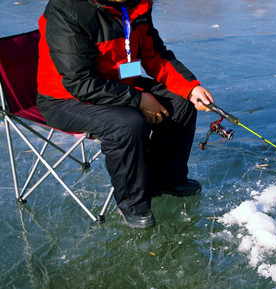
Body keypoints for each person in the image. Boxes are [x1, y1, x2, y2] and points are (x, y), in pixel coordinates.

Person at [37, 0, 214, 229]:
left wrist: (189, 87)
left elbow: (155, 54)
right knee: (128, 124)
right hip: (66, 98)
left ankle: (166, 180)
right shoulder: (66, 8)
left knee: (180, 104)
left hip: (118, 82)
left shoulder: (138, 5)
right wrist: (138, 100)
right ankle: (132, 204)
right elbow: (79, 82)